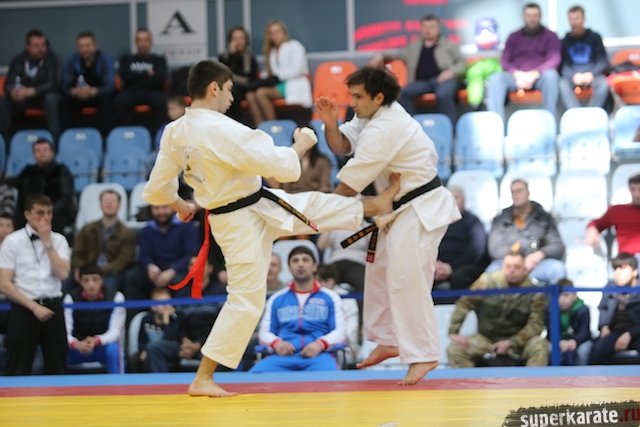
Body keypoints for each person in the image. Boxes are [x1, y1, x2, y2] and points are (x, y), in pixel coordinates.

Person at [141, 59, 400, 396]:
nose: (232, 98)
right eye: (229, 90)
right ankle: (202, 378)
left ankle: (373, 206)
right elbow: (284, 167)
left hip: (252, 206)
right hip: (239, 221)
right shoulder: (225, 130)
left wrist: (182, 206)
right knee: (246, 300)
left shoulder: (175, 131)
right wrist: (302, 143)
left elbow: (158, 189)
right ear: (214, 88)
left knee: (311, 207)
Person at [315, 65, 461, 385]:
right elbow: (341, 145)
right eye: (351, 96)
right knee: (379, 271)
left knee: (407, 279)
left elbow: (350, 185)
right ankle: (388, 339)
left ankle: (425, 354)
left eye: (358, 97)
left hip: (421, 207)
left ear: (378, 97)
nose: (352, 103)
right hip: (398, 208)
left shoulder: (387, 126)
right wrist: (330, 125)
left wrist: (317, 212)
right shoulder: (370, 117)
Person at [0, 194, 71, 375]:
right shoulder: (12, 241)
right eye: (40, 212)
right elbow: (4, 283)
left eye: (49, 212)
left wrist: (47, 242)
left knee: (58, 367)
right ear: (27, 214)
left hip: (53, 307)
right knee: (18, 368)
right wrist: (34, 307)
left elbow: (63, 274)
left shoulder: (59, 240)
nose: (45, 217)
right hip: (24, 308)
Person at [249, 247, 346, 372]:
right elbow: (264, 332)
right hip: (281, 357)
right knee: (254, 378)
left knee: (333, 381)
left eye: (305, 260)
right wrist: (277, 344)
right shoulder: (277, 299)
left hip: (319, 356)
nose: (300, 264)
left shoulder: (331, 297)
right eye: (295, 261)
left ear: (314, 267)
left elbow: (341, 331)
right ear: (289, 268)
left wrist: (320, 344)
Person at [447, 250, 549, 367]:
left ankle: (532, 379)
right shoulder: (487, 281)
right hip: (486, 339)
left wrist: (511, 342)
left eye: (517, 267)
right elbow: (465, 303)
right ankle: (470, 379)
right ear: (502, 267)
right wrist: (453, 331)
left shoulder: (535, 292)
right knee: (455, 350)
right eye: (508, 266)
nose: (512, 270)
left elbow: (535, 326)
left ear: (525, 269)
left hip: (519, 343)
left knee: (540, 346)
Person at [370, 14, 466, 125]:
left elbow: (462, 63)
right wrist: (381, 55)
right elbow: (397, 54)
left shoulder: (449, 45)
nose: (428, 30)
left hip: (443, 80)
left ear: (438, 29)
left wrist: (451, 72)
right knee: (403, 93)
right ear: (421, 28)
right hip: (422, 82)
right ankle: (411, 126)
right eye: (425, 27)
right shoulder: (413, 47)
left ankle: (450, 128)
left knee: (444, 94)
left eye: (432, 27)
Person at [486, 3, 561, 123]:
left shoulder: (551, 36)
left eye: (535, 15)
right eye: (529, 15)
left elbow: (555, 59)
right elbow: (505, 60)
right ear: (523, 16)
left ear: (540, 16)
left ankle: (551, 123)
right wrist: (517, 74)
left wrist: (534, 74)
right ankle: (496, 125)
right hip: (516, 77)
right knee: (496, 78)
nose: (532, 19)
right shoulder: (513, 36)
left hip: (540, 77)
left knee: (551, 76)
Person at [145, 259, 224, 372]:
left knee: (213, 357)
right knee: (154, 348)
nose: (196, 267)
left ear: (210, 268)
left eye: (201, 264)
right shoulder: (181, 293)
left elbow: (221, 325)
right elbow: (178, 322)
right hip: (184, 345)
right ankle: (162, 383)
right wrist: (185, 341)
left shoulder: (221, 291)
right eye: (192, 264)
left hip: (210, 344)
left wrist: (199, 344)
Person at [487, 179, 566, 285]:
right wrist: (517, 260)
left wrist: (540, 254)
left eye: (519, 191)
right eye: (513, 192)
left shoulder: (544, 217)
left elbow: (557, 246)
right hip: (508, 265)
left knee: (557, 269)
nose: (516, 194)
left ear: (528, 193)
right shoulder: (501, 219)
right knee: (489, 274)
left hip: (536, 264)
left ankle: (556, 297)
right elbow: (495, 248)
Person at [122, 204, 199, 301]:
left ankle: (180, 310)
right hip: (155, 270)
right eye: (156, 208)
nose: (161, 212)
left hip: (178, 269)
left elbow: (190, 254)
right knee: (131, 278)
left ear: (173, 208)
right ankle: (136, 310)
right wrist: (150, 266)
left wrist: (172, 271)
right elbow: (144, 255)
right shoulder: (147, 230)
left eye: (165, 208)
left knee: (182, 280)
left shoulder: (188, 227)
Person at [245, 19, 312, 126]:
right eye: (271, 33)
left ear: (284, 32)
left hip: (292, 83)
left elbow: (298, 69)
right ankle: (260, 128)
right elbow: (270, 72)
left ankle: (273, 127)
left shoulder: (294, 46)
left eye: (277, 32)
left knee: (261, 93)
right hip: (279, 84)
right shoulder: (272, 51)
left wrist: (277, 77)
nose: (274, 35)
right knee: (250, 95)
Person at [67, 189, 137, 292]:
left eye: (113, 201)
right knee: (67, 281)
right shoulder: (87, 229)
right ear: (100, 205)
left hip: (112, 273)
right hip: (87, 271)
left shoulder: (127, 233)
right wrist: (83, 270)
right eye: (105, 201)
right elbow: (77, 253)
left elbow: (123, 261)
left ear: (119, 205)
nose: (109, 203)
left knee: (110, 284)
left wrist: (98, 272)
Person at [64, 264, 126, 374]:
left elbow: (116, 331)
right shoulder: (70, 298)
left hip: (102, 347)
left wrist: (96, 341)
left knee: (114, 350)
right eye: (86, 280)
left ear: (102, 280)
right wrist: (77, 344)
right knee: (58, 351)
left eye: (95, 279)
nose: (91, 284)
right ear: (80, 282)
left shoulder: (116, 297)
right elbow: (64, 331)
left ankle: (118, 383)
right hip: (77, 348)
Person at [4, 138, 76, 233]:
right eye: (38, 151)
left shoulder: (61, 171)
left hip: (54, 214)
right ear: (34, 154)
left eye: (45, 150)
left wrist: (46, 212)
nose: (41, 153)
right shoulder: (29, 171)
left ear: (52, 152)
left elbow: (65, 198)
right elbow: (15, 182)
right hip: (28, 214)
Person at [0, 29, 60, 140]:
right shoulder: (18, 60)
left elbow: (54, 83)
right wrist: (14, 92)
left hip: (42, 98)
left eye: (43, 45)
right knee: (3, 101)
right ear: (28, 47)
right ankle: (3, 142)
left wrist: (33, 91)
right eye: (36, 46)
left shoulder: (52, 59)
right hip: (22, 98)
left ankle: (54, 141)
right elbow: (7, 84)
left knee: (51, 99)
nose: (41, 49)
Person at [114, 28, 168, 133]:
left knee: (164, 102)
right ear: (135, 42)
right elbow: (125, 76)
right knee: (119, 102)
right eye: (139, 40)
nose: (142, 43)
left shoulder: (159, 60)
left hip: (152, 92)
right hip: (131, 92)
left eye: (146, 40)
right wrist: (148, 74)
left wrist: (135, 76)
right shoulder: (126, 59)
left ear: (151, 42)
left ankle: (155, 134)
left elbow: (159, 78)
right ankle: (130, 133)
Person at [60, 31, 114, 135]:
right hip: (78, 96)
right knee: (64, 101)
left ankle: (106, 137)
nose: (85, 49)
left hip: (97, 95)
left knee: (106, 100)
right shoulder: (71, 61)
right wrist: (75, 92)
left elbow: (109, 86)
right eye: (81, 46)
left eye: (88, 46)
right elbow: (65, 86)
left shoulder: (105, 60)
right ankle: (68, 136)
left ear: (95, 46)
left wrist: (92, 91)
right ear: (77, 48)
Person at [589, 253, 640, 365]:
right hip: (615, 331)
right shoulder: (610, 287)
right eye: (615, 269)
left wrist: (630, 334)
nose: (618, 273)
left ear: (635, 272)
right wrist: (604, 326)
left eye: (622, 268)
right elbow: (603, 308)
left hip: (637, 331)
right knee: (597, 352)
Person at [436, 186, 487, 292]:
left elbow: (476, 249)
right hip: (439, 265)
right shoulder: (437, 222)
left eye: (455, 197)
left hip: (466, 265)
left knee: (459, 276)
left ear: (464, 203)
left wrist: (452, 267)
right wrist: (436, 264)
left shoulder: (472, 221)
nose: (451, 200)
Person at [559, 5, 609, 109]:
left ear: (584, 19)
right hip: (573, 77)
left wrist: (591, 74)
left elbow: (603, 61)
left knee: (603, 83)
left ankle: (592, 112)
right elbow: (563, 66)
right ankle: (576, 113)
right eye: (571, 19)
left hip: (593, 75)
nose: (574, 22)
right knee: (562, 84)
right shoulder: (564, 41)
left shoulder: (595, 37)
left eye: (577, 18)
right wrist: (573, 76)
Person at [127, 287, 181, 373]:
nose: (166, 306)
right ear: (153, 306)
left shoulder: (175, 319)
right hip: (150, 351)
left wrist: (166, 320)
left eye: (168, 302)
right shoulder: (146, 320)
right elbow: (142, 340)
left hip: (170, 351)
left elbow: (169, 339)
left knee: (153, 349)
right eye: (162, 303)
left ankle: (161, 379)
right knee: (134, 360)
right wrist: (143, 350)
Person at [585, 173, 640, 257]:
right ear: (629, 189)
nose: (636, 194)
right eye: (633, 189)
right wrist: (592, 231)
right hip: (626, 259)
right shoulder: (618, 211)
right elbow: (596, 224)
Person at [317, 263, 360, 365]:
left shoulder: (346, 297)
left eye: (326, 280)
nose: (322, 284)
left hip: (341, 345)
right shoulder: (311, 296)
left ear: (334, 279)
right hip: (316, 344)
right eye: (319, 280)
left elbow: (351, 327)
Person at [218, 26, 258, 123]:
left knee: (244, 94)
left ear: (246, 41)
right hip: (229, 89)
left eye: (241, 38)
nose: (238, 42)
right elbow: (224, 74)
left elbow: (249, 79)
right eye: (235, 38)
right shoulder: (224, 56)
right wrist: (232, 56)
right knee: (230, 93)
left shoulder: (250, 57)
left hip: (245, 89)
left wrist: (233, 77)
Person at [550, 278, 592, 366]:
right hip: (558, 341)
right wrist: (560, 341)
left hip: (579, 341)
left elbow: (584, 332)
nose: (562, 299)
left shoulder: (583, 309)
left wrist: (575, 341)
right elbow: (550, 330)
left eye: (566, 295)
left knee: (583, 351)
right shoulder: (550, 309)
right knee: (550, 348)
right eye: (559, 295)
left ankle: (581, 373)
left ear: (574, 296)